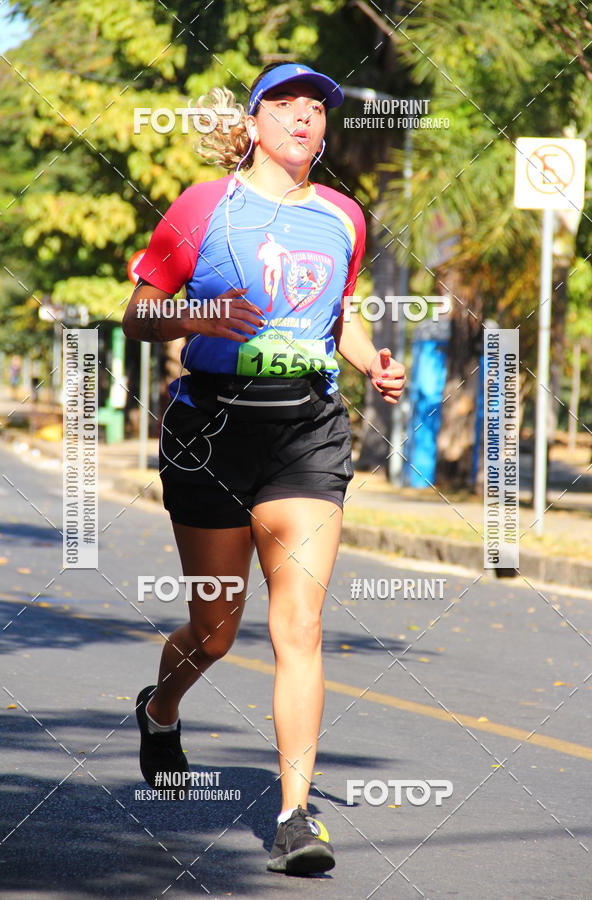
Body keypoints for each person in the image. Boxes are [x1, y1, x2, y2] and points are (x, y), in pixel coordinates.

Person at [122, 61, 406, 876]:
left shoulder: (344, 216)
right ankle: (162, 707)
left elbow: (339, 316)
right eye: (283, 106)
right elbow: (139, 313)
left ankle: (294, 817)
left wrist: (368, 365)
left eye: (315, 108)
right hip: (211, 429)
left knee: (301, 628)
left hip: (306, 433)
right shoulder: (204, 206)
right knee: (216, 631)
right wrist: (203, 311)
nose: (302, 119)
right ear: (251, 125)